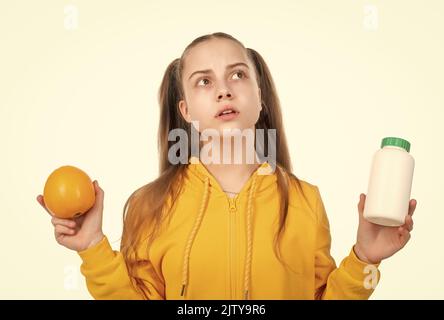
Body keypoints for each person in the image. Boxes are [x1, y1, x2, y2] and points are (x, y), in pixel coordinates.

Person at [37, 32, 417, 300]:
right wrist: (92, 249)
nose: (224, 89)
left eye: (238, 74)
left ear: (260, 95)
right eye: (203, 81)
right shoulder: (148, 205)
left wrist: (366, 260)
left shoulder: (306, 201)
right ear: (185, 110)